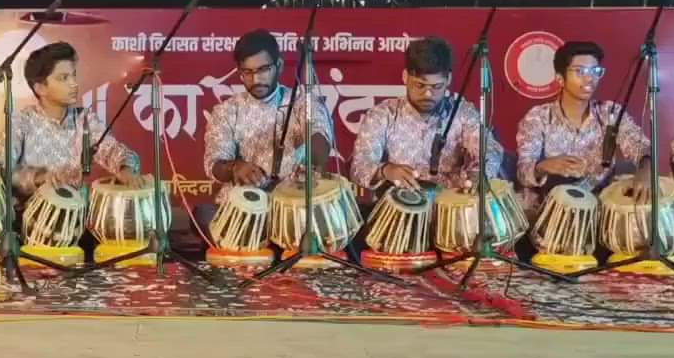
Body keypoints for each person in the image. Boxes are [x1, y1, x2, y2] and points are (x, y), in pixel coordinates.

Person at [200, 30, 334, 232]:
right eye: (248, 72)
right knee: (203, 215)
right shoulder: (227, 111)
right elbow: (214, 164)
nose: (256, 79)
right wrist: (235, 168)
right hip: (243, 210)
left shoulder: (301, 103)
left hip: (293, 209)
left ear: (278, 66)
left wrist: (311, 158)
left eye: (263, 69)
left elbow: (320, 140)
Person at [350, 37, 502, 194]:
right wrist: (385, 170)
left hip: (450, 208)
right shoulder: (383, 114)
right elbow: (358, 167)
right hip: (401, 207)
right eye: (420, 85)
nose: (428, 94)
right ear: (405, 77)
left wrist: (479, 173)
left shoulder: (462, 112)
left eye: (437, 86)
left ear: (448, 79)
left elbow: (490, 150)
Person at [0, 41, 143, 203]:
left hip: (77, 214)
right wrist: (38, 177)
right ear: (40, 88)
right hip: (25, 216)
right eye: (63, 78)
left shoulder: (85, 120)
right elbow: (1, 168)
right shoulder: (21, 122)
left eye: (73, 75)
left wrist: (125, 168)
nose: (74, 83)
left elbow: (112, 149)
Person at [515, 41, 651, 208]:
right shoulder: (539, 117)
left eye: (595, 71)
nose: (590, 78)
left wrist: (645, 171)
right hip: (549, 211)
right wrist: (543, 166)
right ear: (560, 78)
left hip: (600, 209)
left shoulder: (611, 113)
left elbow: (641, 147)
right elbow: (523, 172)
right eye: (580, 71)